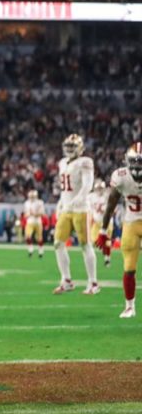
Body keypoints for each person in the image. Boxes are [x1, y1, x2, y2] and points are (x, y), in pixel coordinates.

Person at [97, 142, 142, 318]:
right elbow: (111, 204)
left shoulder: (120, 175)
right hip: (131, 223)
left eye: (141, 162)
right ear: (127, 161)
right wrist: (102, 230)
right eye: (135, 161)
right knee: (129, 267)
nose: (138, 166)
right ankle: (129, 306)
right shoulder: (121, 176)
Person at [52, 134, 98, 295]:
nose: (70, 150)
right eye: (68, 147)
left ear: (80, 148)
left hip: (81, 209)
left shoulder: (85, 162)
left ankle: (93, 282)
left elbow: (87, 186)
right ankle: (66, 280)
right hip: (66, 208)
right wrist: (61, 203)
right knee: (58, 243)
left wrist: (76, 201)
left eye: (72, 147)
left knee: (85, 245)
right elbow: (64, 189)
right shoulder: (62, 163)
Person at [87, 180, 113, 268]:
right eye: (98, 188)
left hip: (107, 222)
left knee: (108, 241)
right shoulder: (90, 197)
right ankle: (105, 252)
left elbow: (112, 208)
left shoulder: (107, 196)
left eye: (101, 188)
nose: (99, 190)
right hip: (96, 221)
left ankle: (107, 258)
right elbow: (89, 209)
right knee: (94, 240)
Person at [24, 189, 46, 258]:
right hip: (30, 222)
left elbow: (42, 213)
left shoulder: (40, 202)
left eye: (33, 196)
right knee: (27, 236)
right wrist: (28, 214)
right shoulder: (26, 203)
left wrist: (35, 214)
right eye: (30, 196)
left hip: (38, 222)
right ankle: (31, 249)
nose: (31, 198)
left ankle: (40, 250)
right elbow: (25, 214)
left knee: (39, 238)